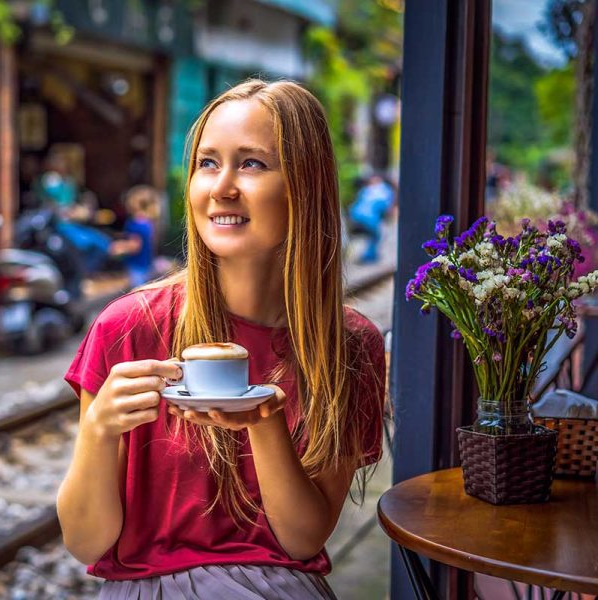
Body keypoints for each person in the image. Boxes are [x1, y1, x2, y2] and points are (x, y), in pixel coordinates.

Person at [57, 80, 385, 599]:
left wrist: (264, 421)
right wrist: (98, 433)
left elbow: (302, 541)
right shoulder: (127, 327)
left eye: (251, 164)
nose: (221, 187)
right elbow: (85, 541)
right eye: (208, 163)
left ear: (306, 184)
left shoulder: (348, 346)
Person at [347, 174, 395, 264]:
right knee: (375, 236)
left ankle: (368, 255)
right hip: (369, 218)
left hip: (357, 215)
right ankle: (369, 256)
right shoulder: (384, 191)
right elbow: (385, 207)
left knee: (373, 236)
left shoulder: (366, 190)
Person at [119, 185, 161, 288]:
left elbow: (135, 246)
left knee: (137, 293)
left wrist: (118, 247)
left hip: (136, 266)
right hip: (147, 264)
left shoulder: (134, 224)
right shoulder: (149, 223)